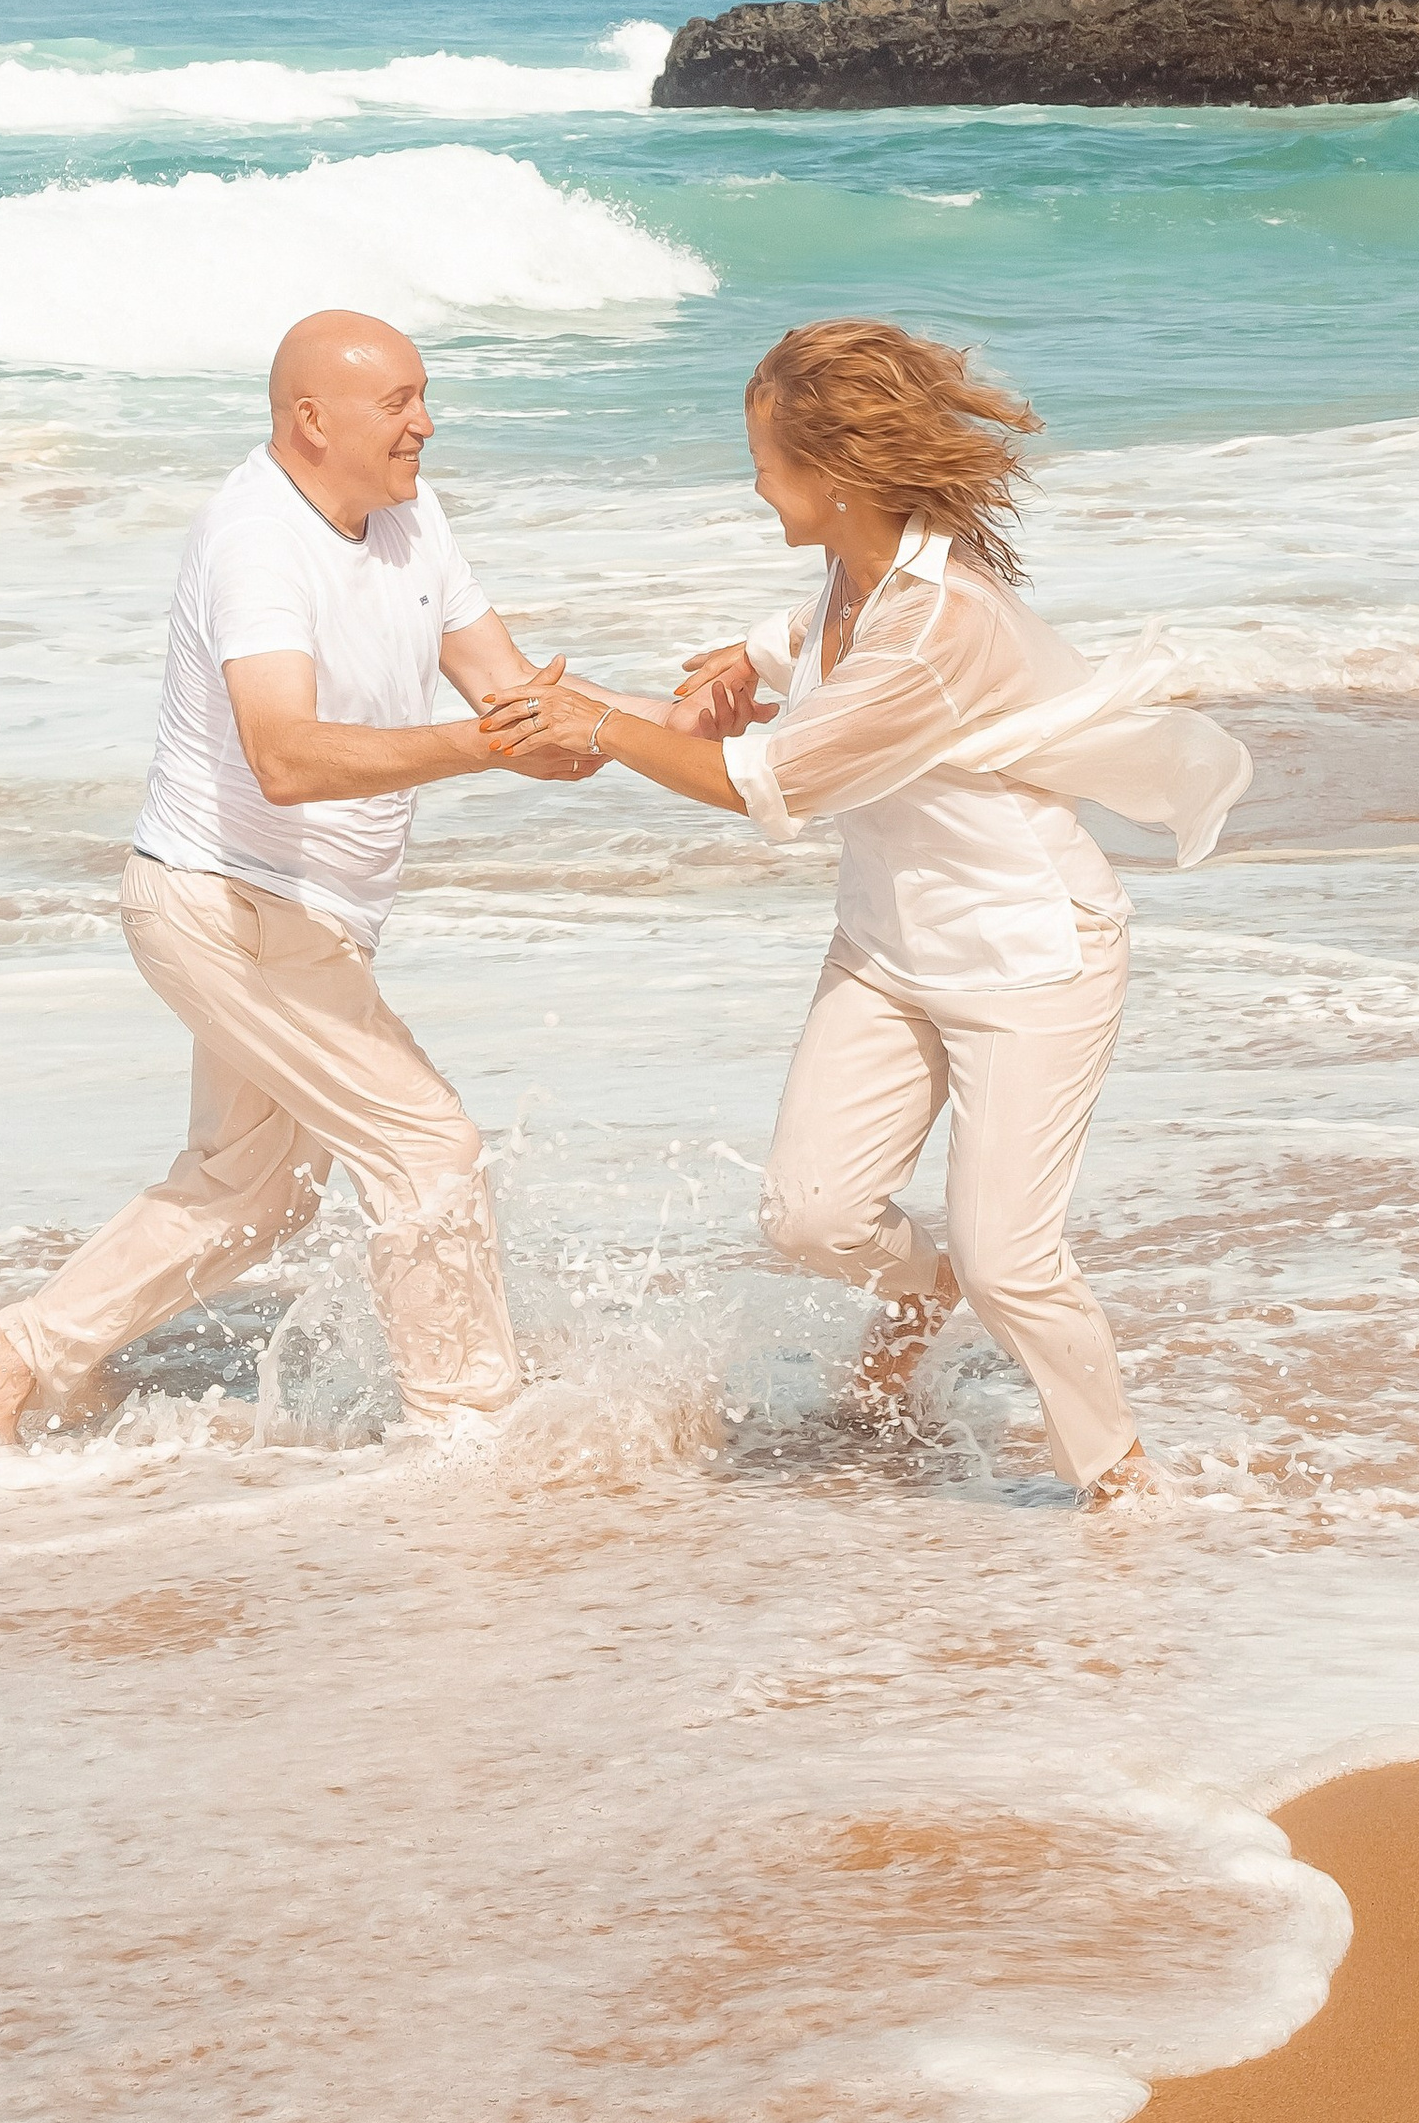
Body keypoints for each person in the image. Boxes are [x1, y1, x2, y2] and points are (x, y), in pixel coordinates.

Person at [491, 319, 1249, 1505]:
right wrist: (749, 656)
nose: (753, 483)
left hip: (1027, 959)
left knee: (1010, 1262)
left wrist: (600, 722)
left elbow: (771, 784)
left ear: (834, 481)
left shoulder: (940, 630)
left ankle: (1122, 1482)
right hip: (889, 949)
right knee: (811, 1217)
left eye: (765, 462)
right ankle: (920, 1292)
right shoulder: (859, 563)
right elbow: (819, 641)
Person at [0, 308, 657, 1449]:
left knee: (255, 1190)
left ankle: (20, 1350)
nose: (426, 425)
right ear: (310, 421)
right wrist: (487, 746)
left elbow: (515, 699)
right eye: (400, 405)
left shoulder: (407, 516)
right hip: (226, 902)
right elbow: (284, 754)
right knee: (427, 1148)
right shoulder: (256, 541)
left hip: (298, 915)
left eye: (426, 398)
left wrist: (680, 728)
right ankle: (470, 1431)